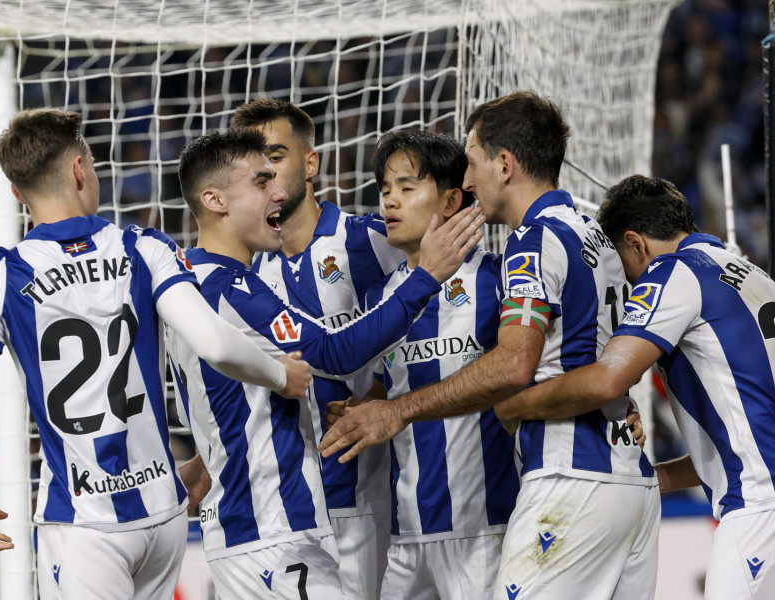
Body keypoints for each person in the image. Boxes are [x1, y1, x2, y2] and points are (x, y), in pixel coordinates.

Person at [319, 92, 660, 599]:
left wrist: (400, 412)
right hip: (418, 530)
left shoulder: (514, 259)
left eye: (472, 163)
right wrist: (369, 409)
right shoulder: (592, 235)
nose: (469, 179)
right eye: (384, 188)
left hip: (531, 498)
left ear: (505, 164)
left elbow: (514, 364)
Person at [0, 108, 311, 599]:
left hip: (84, 522)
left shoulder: (0, 278)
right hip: (162, 510)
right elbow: (215, 343)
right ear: (78, 170)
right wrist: (281, 376)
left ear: (16, 193)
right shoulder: (143, 248)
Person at [169, 128, 483, 599]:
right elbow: (334, 354)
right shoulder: (228, 286)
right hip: (270, 529)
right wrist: (426, 277)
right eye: (261, 182)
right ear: (214, 200)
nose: (278, 194)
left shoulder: (182, 282)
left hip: (252, 527)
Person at [497, 174, 775, 599]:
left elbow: (609, 378)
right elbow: (748, 430)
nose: (628, 282)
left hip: (759, 508)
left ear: (636, 244)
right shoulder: (751, 275)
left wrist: (518, 405)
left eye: (623, 266)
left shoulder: (673, 272)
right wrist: (661, 475)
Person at [231, 99, 405, 599]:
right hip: (282, 510)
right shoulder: (244, 274)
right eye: (253, 165)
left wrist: (381, 391)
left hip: (367, 500)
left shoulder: (370, 241)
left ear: (311, 163)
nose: (266, 173)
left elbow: (448, 313)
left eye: (276, 156)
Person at [347, 129, 518, 599]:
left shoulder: (499, 278)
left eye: (406, 187)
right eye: (384, 191)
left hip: (485, 530)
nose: (390, 203)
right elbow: (387, 387)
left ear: (449, 202)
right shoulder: (380, 297)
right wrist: (359, 413)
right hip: (406, 537)